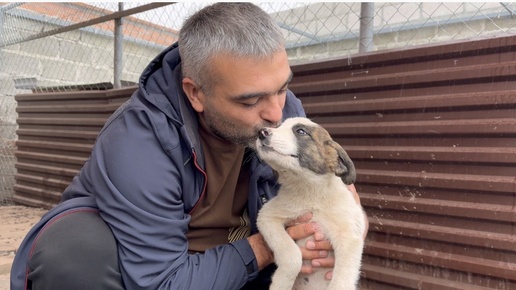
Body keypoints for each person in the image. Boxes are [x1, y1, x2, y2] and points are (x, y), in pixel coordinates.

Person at [11, 3, 367, 290]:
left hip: (239, 268)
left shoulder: (285, 115)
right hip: (160, 269)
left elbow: (340, 191)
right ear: (195, 93)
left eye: (282, 87)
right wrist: (269, 246)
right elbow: (164, 281)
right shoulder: (137, 142)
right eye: (249, 101)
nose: (276, 113)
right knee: (75, 251)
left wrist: (334, 234)